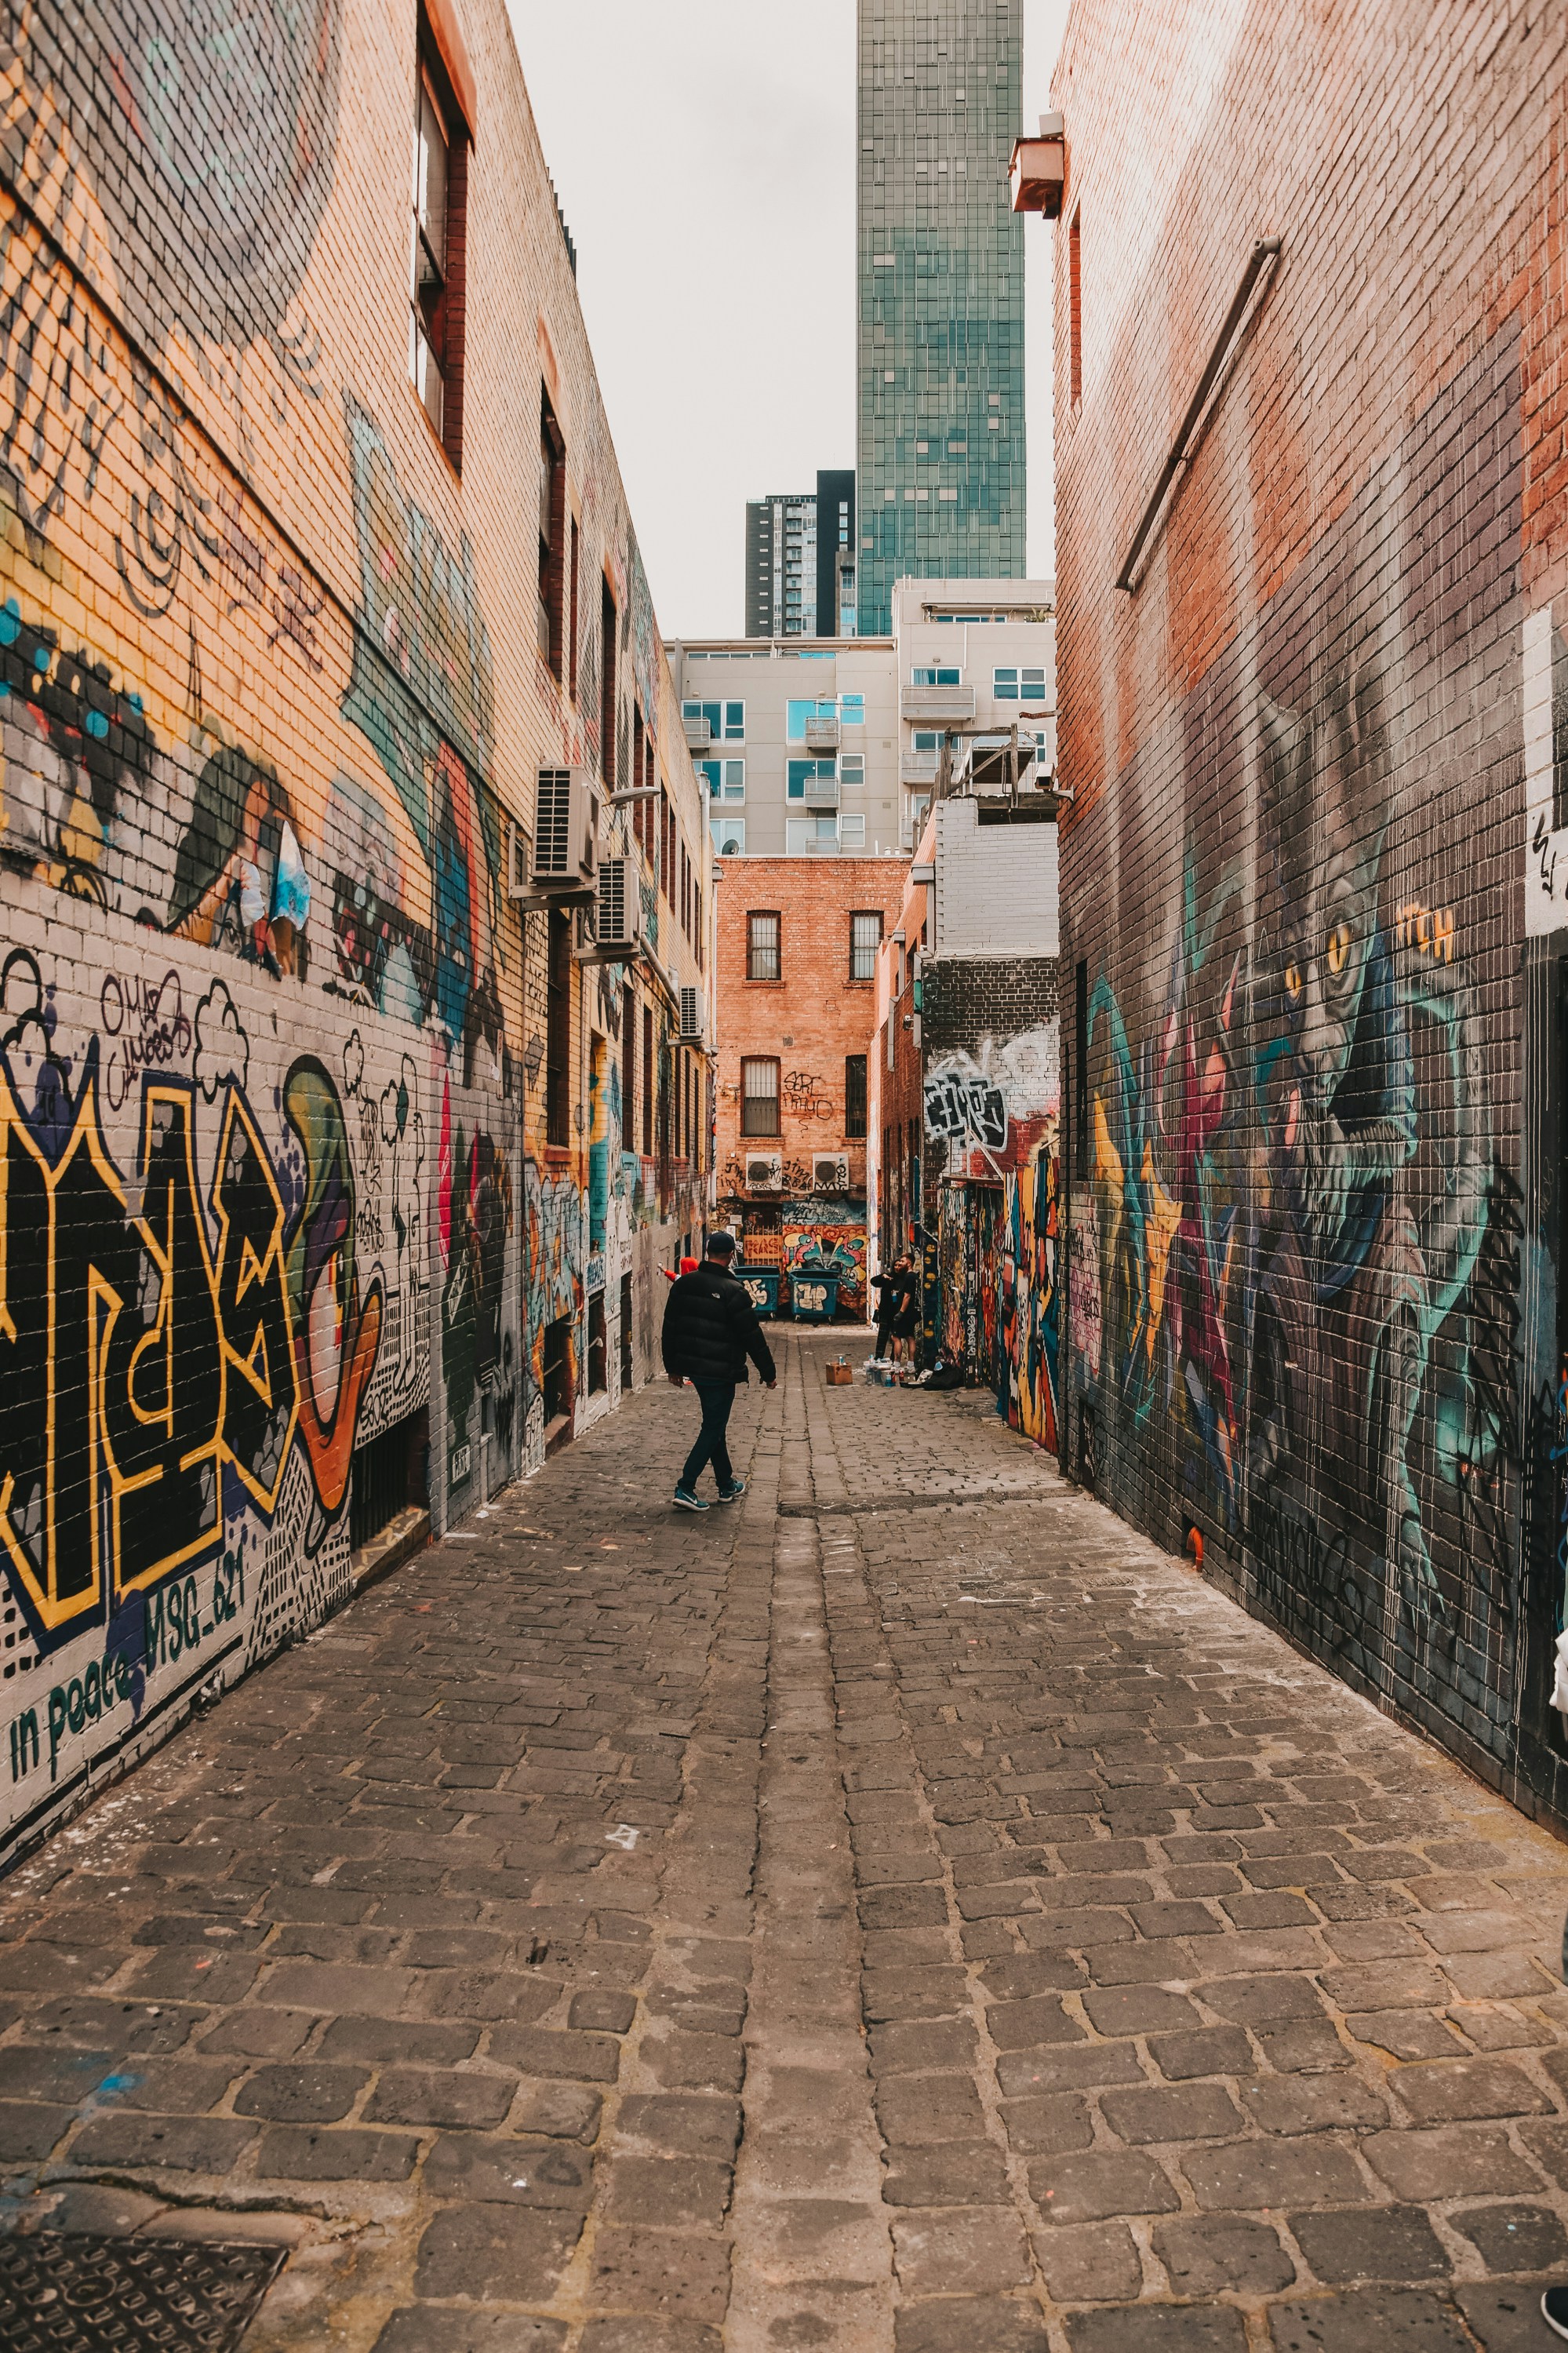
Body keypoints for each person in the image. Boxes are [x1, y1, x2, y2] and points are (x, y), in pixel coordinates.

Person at [661, 1230, 777, 1511]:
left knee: (716, 1425)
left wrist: (673, 1368)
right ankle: (686, 1486)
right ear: (730, 1256)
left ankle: (726, 1483)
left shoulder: (683, 1285)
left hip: (695, 1370)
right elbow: (752, 1336)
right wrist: (768, 1372)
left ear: (708, 1252)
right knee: (713, 1426)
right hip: (721, 1372)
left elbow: (669, 1329)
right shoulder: (733, 1291)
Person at [871, 1255, 913, 1363]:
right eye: (895, 1265)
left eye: (900, 1265)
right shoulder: (888, 1277)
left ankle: (893, 1358)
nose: (897, 1267)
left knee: (895, 1337)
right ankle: (878, 1356)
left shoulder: (905, 1279)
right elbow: (873, 1282)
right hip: (885, 1311)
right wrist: (882, 1277)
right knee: (882, 1336)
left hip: (896, 1312)